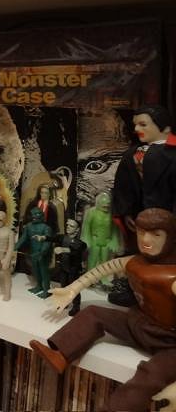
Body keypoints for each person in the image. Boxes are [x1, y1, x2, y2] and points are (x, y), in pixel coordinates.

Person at [30, 208, 176, 412]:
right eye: (141, 232)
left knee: (150, 375)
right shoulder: (134, 261)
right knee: (93, 313)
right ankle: (60, 354)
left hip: (169, 344)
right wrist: (73, 289)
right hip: (138, 324)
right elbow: (102, 269)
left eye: (156, 234)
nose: (145, 239)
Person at [110, 105, 176, 306]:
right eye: (135, 124)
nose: (137, 128)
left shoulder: (173, 154)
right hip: (140, 215)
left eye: (143, 124)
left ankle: (162, 296)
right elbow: (123, 186)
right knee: (140, 253)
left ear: (165, 127)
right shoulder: (132, 155)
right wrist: (126, 211)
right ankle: (135, 290)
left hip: (168, 216)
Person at [38, 218, 87, 316]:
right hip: (64, 268)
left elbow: (76, 250)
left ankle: (76, 306)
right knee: (63, 286)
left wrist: (63, 249)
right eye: (67, 225)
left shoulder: (80, 243)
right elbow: (53, 238)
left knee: (74, 289)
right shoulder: (63, 237)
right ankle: (65, 302)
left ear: (77, 229)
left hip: (73, 270)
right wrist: (43, 237)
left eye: (72, 226)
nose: (68, 227)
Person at [82, 191, 121, 285]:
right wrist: (86, 240)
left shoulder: (111, 214)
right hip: (94, 240)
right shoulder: (92, 212)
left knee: (104, 262)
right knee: (92, 260)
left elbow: (115, 230)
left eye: (108, 204)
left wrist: (114, 241)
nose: (106, 206)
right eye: (104, 204)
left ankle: (104, 279)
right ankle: (89, 278)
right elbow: (86, 227)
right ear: (98, 203)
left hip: (106, 241)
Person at [15, 207, 53, 298]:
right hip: (33, 253)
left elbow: (47, 243)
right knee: (35, 271)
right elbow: (23, 238)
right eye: (33, 214)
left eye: (37, 214)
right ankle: (39, 286)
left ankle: (47, 290)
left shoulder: (46, 228)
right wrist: (15, 247)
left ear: (41, 215)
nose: (34, 216)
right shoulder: (29, 226)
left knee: (44, 272)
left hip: (43, 255)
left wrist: (41, 252)